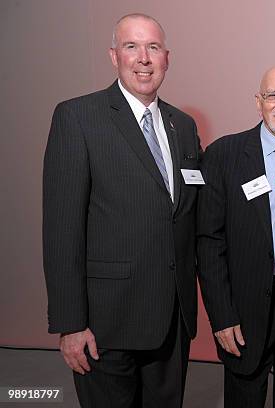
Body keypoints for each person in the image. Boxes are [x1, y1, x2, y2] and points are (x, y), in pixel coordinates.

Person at [43, 14, 202, 407]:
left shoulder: (183, 126)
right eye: (132, 47)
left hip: (171, 321)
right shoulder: (78, 117)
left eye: (153, 48)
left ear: (167, 58)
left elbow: (183, 215)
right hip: (105, 326)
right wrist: (70, 324)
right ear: (114, 57)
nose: (143, 58)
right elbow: (62, 230)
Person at [197, 65, 275, 407]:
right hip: (244, 304)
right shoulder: (224, 155)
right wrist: (222, 316)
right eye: (273, 95)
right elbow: (209, 243)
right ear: (259, 102)